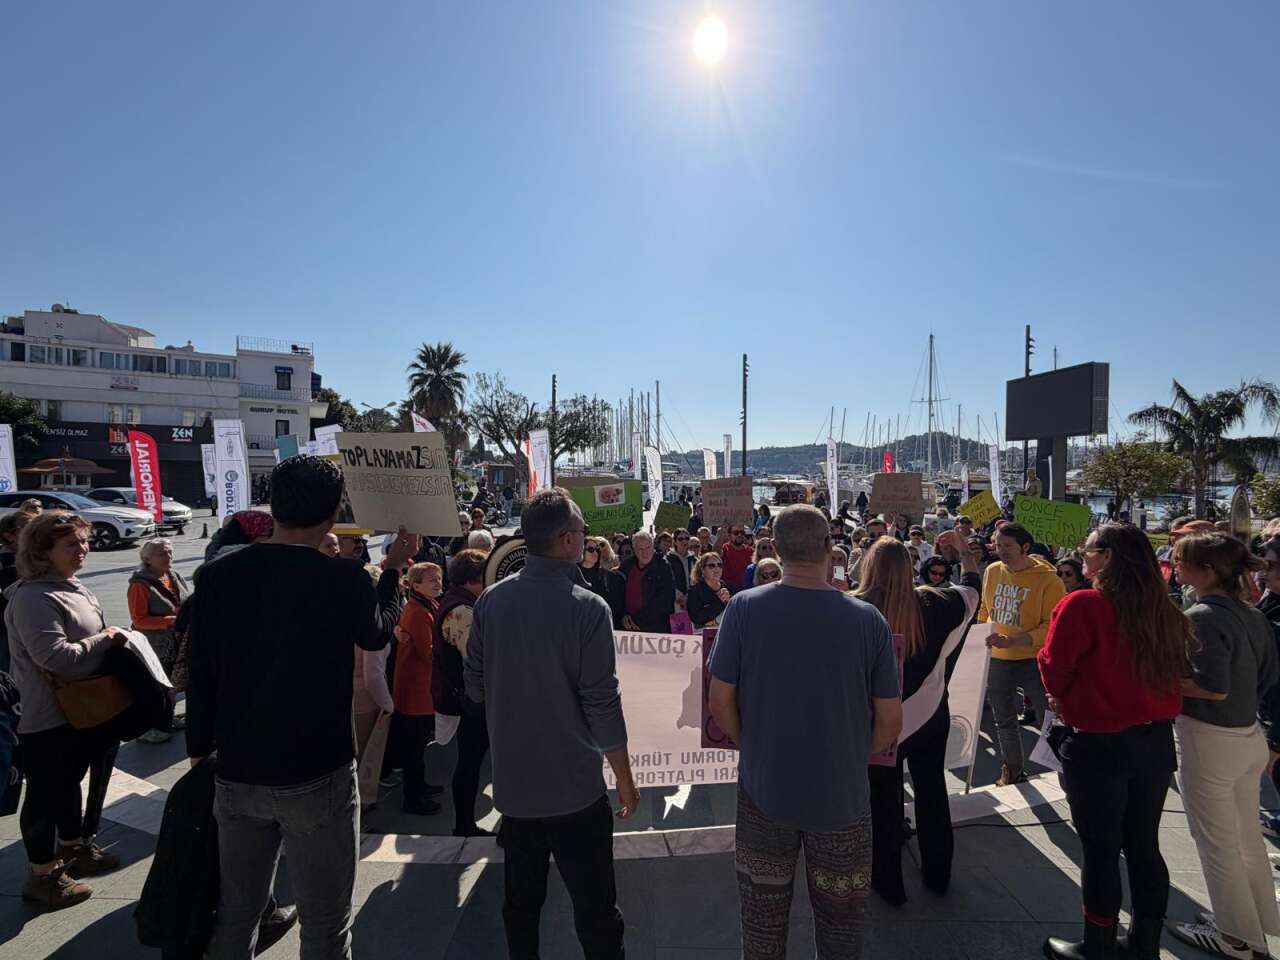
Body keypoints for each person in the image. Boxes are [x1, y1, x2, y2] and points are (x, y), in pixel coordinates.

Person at [187, 455, 410, 958]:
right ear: (332, 514)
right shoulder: (342, 578)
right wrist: (392, 570)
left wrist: (199, 747)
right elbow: (377, 634)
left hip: (236, 764)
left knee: (237, 913)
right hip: (317, 770)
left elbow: (201, 668)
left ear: (275, 506)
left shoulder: (218, 575)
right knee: (327, 923)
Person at [708, 504, 900, 959]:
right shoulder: (867, 620)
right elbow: (890, 721)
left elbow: (720, 702)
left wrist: (751, 747)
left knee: (762, 927)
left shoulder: (742, 609)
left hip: (763, 791)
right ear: (830, 549)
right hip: (843, 798)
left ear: (773, 548)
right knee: (841, 929)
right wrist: (854, 756)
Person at [465, 487, 638, 960]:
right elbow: (602, 703)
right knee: (597, 910)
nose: (586, 539)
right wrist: (625, 778)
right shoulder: (587, 607)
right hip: (574, 792)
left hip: (515, 792)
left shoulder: (491, 602)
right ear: (565, 540)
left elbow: (475, 687)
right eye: (583, 532)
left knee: (520, 906)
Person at [1038, 523, 1187, 960]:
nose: (1081, 557)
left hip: (1099, 743)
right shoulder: (1164, 608)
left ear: (1107, 557)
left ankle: (1098, 944)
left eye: (1087, 550)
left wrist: (1062, 694)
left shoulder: (1085, 604)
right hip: (1155, 742)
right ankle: (1145, 943)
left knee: (1101, 848)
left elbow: (1053, 667)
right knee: (1144, 845)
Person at [4, 511, 127, 909]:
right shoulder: (32, 597)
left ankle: (72, 847)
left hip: (81, 712)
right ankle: (42, 877)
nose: (83, 550)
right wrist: (107, 640)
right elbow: (56, 658)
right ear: (42, 551)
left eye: (85, 542)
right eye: (71, 544)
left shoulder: (71, 586)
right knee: (43, 795)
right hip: (47, 717)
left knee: (68, 784)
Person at [1167, 533, 1280, 960]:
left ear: (1207, 571)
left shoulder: (1203, 615)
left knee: (1215, 842)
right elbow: (1266, 677)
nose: (1175, 567)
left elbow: (1211, 687)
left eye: (1181, 561)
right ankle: (1254, 922)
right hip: (1247, 735)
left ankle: (1235, 935)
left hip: (1209, 738)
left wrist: (1157, 683)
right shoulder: (1252, 614)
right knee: (1245, 837)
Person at [858, 535, 980, 905]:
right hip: (930, 717)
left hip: (877, 722)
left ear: (868, 566)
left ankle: (888, 882)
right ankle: (938, 873)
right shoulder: (940, 602)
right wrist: (966, 553)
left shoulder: (853, 607)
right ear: (910, 566)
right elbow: (974, 589)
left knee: (883, 799)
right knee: (932, 792)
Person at [977, 521, 1066, 785]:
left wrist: (1015, 640)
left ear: (1024, 547)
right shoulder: (992, 571)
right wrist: (981, 636)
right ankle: (1012, 770)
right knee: (1003, 720)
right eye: (997, 544)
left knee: (1047, 720)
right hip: (998, 660)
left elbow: (1052, 625)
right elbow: (986, 609)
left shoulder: (1050, 581)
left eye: (1007, 545)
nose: (1000, 550)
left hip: (1034, 660)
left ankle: (1066, 773)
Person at [433, 548, 492, 837]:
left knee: (470, 761)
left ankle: (465, 823)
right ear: (473, 579)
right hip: (473, 701)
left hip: (470, 698)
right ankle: (465, 824)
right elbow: (477, 659)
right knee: (469, 762)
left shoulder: (462, 603)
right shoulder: (462, 612)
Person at [392, 562, 444, 815]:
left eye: (439, 578)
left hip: (419, 689)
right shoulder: (417, 611)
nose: (437, 583)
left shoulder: (425, 605)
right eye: (431, 579)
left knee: (418, 746)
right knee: (414, 749)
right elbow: (428, 653)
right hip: (416, 692)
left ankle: (419, 788)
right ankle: (413, 799)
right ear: (416, 585)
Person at [127, 538, 190, 744]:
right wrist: (171, 621)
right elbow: (139, 619)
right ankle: (149, 728)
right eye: (162, 553)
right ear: (147, 558)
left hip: (175, 641)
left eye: (170, 552)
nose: (168, 557)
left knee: (170, 684)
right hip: (153, 644)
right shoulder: (140, 584)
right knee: (155, 687)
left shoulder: (174, 575)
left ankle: (167, 720)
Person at [353, 565, 397, 811]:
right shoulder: (373, 624)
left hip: (352, 697)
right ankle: (361, 809)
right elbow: (373, 675)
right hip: (366, 702)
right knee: (363, 760)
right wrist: (388, 705)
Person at [0, 508, 39, 674]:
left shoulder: (36, 559)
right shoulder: (7, 564)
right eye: (29, 528)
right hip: (8, 632)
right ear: (10, 536)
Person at [618, 532, 675, 633]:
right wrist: (623, 615)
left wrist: (636, 619)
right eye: (640, 549)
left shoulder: (663, 567)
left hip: (655, 629)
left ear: (653, 547)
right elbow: (618, 595)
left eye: (648, 548)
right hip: (628, 629)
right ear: (634, 550)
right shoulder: (626, 567)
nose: (644, 553)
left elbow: (665, 601)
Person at [580, 536, 625, 628]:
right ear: (581, 550)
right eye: (591, 549)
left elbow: (616, 606)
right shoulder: (571, 574)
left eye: (597, 549)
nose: (595, 552)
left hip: (602, 626)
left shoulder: (608, 577)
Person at [688, 552, 732, 628]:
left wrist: (730, 601)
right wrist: (719, 602)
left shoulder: (728, 586)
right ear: (702, 569)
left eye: (719, 565)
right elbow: (697, 618)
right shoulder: (695, 590)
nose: (717, 568)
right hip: (704, 635)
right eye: (711, 566)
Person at [718, 524, 753, 591]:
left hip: (745, 590)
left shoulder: (751, 551)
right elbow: (715, 553)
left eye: (742, 533)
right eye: (736, 533)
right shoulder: (724, 548)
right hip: (728, 591)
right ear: (729, 535)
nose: (739, 535)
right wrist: (721, 535)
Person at [666, 529, 695, 602]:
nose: (684, 541)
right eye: (680, 539)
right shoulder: (667, 559)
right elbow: (667, 581)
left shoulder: (694, 559)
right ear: (675, 542)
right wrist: (679, 595)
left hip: (692, 598)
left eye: (687, 538)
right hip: (675, 600)